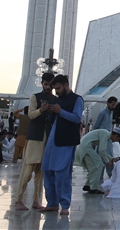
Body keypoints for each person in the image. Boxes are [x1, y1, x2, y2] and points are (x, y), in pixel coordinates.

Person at [40, 75, 83, 215]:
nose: (56, 91)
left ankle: (64, 205)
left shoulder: (77, 99)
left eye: (58, 88)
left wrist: (60, 111)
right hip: (53, 139)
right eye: (55, 89)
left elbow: (77, 118)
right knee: (48, 170)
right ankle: (52, 203)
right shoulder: (57, 100)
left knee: (62, 173)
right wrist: (49, 111)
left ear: (66, 85)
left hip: (66, 141)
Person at [14, 72, 55, 211]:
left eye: (50, 85)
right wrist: (41, 110)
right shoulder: (35, 97)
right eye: (46, 84)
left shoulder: (55, 100)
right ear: (42, 83)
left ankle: (36, 200)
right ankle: (19, 199)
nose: (48, 87)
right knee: (27, 171)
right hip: (34, 138)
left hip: (47, 139)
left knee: (40, 173)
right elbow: (31, 114)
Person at [76, 127, 120, 194]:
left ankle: (88, 185)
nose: (116, 141)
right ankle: (93, 188)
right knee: (99, 166)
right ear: (116, 135)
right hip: (86, 147)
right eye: (117, 139)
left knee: (93, 167)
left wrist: (111, 159)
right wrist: (107, 161)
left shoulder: (105, 134)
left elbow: (102, 151)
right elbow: (102, 151)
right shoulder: (105, 134)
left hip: (84, 147)